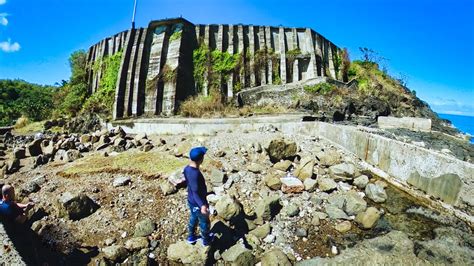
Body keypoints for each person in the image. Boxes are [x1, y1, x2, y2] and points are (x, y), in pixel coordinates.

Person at [184, 146, 213, 246]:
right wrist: (202, 206)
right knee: (204, 221)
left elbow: (191, 187)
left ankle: (191, 236)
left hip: (191, 200)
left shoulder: (187, 169)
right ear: (201, 159)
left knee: (193, 217)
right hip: (198, 202)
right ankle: (206, 240)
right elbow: (196, 192)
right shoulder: (195, 174)